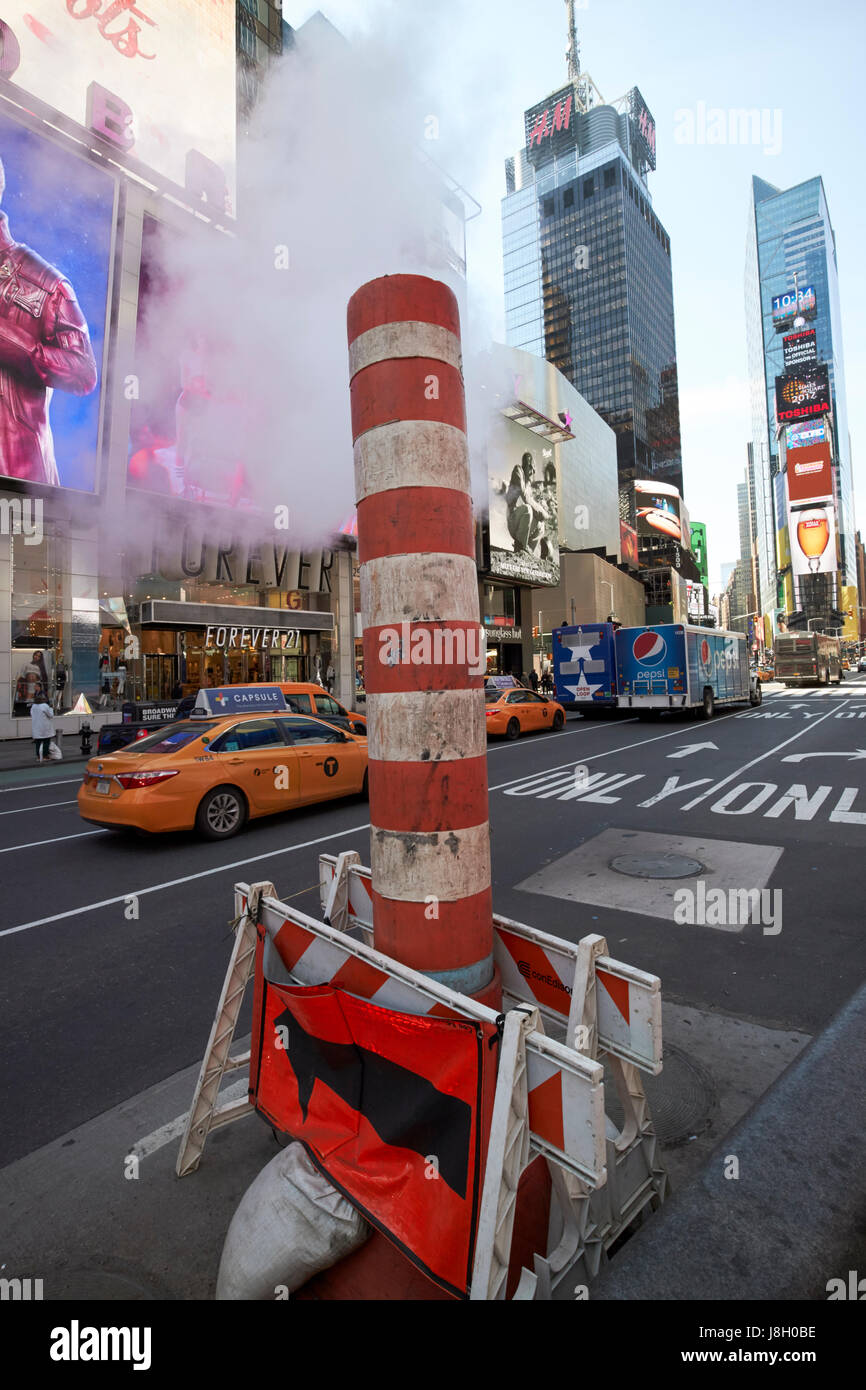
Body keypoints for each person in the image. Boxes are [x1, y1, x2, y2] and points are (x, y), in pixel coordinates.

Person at [0, 156, 99, 485]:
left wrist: (16, 345)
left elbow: (84, 373)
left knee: (27, 538)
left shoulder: (45, 284)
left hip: (19, 496)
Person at [29, 689, 54, 762]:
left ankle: (38, 756)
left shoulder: (34, 706)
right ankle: (45, 756)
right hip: (44, 727)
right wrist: (51, 708)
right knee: (46, 742)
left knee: (38, 742)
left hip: (36, 727)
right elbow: (51, 715)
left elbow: (31, 714)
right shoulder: (44, 706)